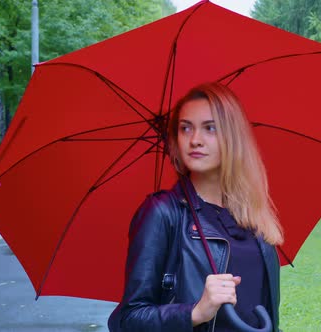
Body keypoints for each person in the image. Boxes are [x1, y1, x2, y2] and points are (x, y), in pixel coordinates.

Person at [108, 82, 284, 331]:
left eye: (210, 128)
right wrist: (194, 312)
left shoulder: (253, 214)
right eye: (185, 128)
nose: (195, 140)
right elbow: (128, 320)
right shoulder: (162, 213)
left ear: (233, 137)